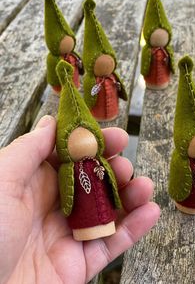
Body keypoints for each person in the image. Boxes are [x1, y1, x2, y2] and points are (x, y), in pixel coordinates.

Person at [0, 115, 160, 283]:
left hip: (107, 221)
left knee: (124, 172)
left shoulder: (99, 163)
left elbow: (111, 184)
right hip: (78, 227)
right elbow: (67, 196)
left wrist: (114, 200)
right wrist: (68, 208)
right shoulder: (67, 170)